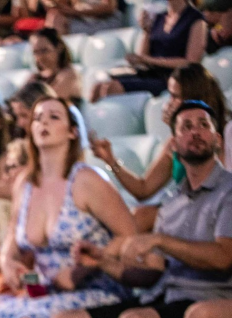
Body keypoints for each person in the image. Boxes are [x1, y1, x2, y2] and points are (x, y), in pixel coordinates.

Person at [47, 101, 232, 318]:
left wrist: (160, 240)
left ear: (217, 139)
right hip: (166, 300)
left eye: (204, 125)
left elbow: (224, 257)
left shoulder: (228, 191)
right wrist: (103, 262)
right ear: (174, 144)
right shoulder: (172, 201)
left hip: (213, 299)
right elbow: (151, 274)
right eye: (186, 127)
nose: (195, 132)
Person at [0, 96, 136, 318]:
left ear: (72, 132)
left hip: (95, 288)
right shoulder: (25, 183)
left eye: (54, 117)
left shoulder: (87, 179)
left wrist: (84, 267)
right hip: (43, 289)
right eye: (37, 118)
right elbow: (12, 238)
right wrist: (7, 262)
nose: (43, 122)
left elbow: (130, 235)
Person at [91, 64, 229, 219]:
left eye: (175, 96)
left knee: (143, 217)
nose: (169, 103)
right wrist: (110, 159)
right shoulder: (174, 143)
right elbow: (143, 190)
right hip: (188, 211)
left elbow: (217, 179)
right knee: (133, 216)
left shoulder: (225, 134)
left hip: (217, 210)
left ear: (192, 97)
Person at [90, 0, 206, 100]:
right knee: (98, 86)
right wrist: (146, 31)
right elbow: (143, 56)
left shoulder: (195, 19)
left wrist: (150, 60)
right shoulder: (160, 17)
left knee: (112, 88)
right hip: (149, 73)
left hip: (172, 79)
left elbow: (191, 62)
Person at [26, 28, 82, 104]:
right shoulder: (35, 77)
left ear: (59, 47)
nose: (40, 57)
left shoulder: (69, 75)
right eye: (35, 52)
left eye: (44, 50)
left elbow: (48, 102)